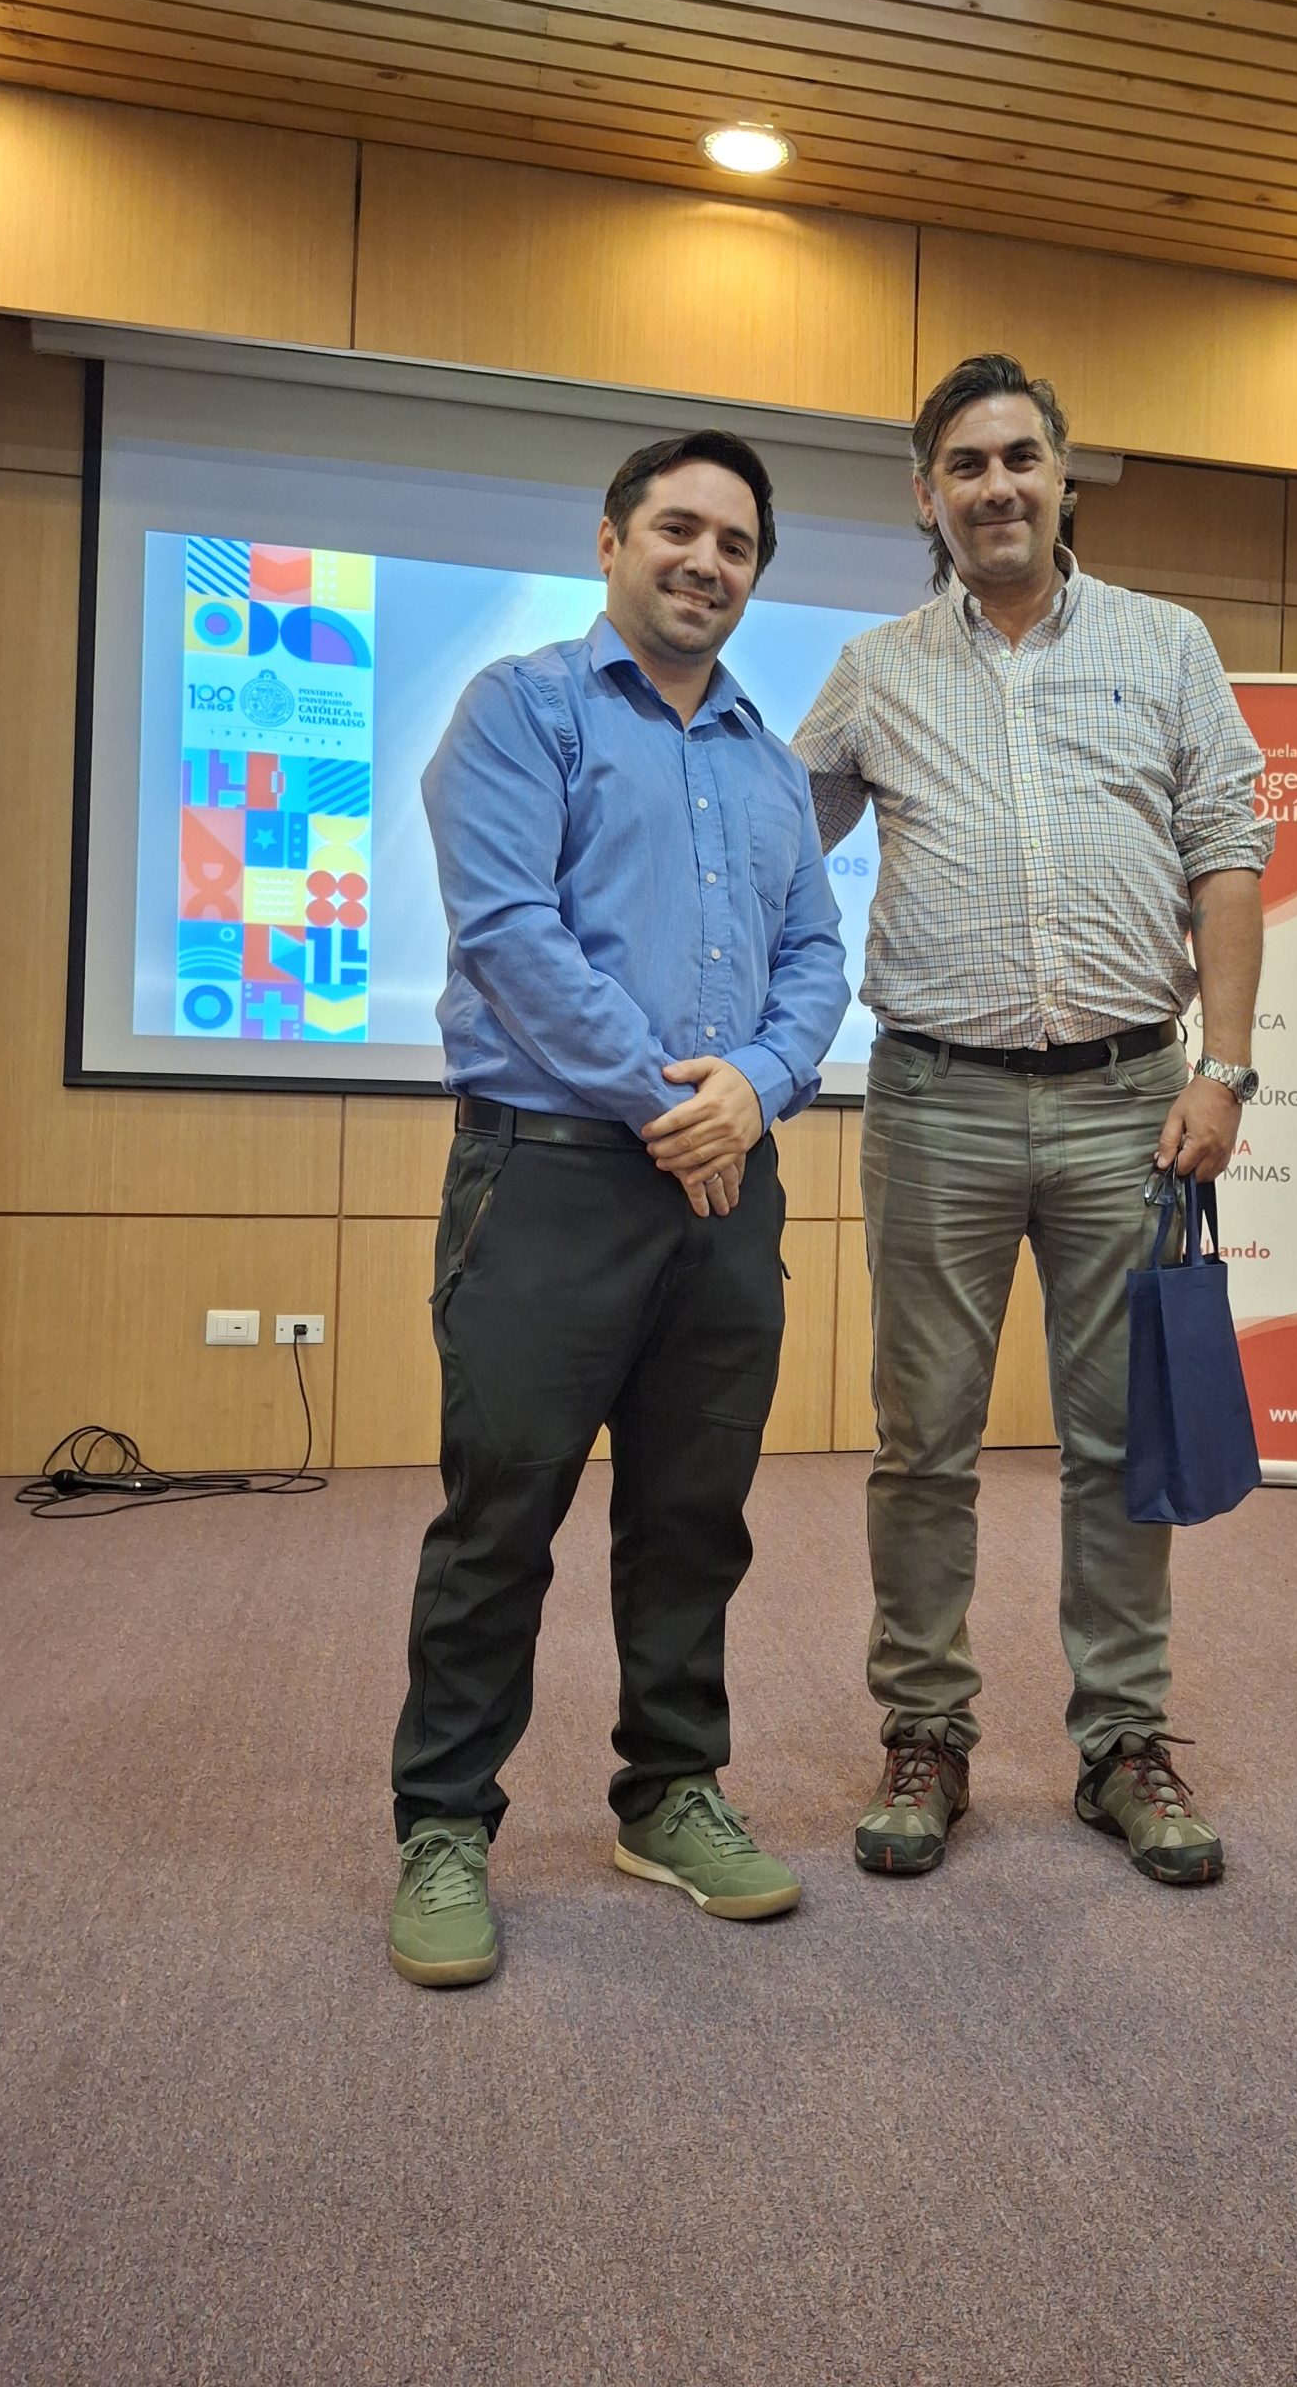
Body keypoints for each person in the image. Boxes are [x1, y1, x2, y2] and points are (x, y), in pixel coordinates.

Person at [794, 354, 1270, 1890]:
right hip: (934, 1102)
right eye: (966, 465)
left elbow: (1229, 849)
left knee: (1119, 1439)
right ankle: (924, 1735)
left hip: (1133, 1103)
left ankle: (1123, 1741)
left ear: (1064, 475)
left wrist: (1226, 1066)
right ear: (926, 495)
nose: (995, 486)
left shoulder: (1165, 643)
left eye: (1019, 457)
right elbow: (770, 838)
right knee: (922, 1443)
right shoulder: (874, 669)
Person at [388, 430, 848, 1987]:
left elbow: (816, 959)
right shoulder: (520, 709)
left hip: (728, 1185)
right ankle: (444, 1827)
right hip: (550, 1176)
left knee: (693, 1514)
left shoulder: (770, 764)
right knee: (501, 1513)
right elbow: (510, 931)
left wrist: (757, 1089)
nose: (706, 560)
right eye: (678, 528)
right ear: (610, 542)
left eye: (736, 544)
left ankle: (670, 1795)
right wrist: (673, 1104)